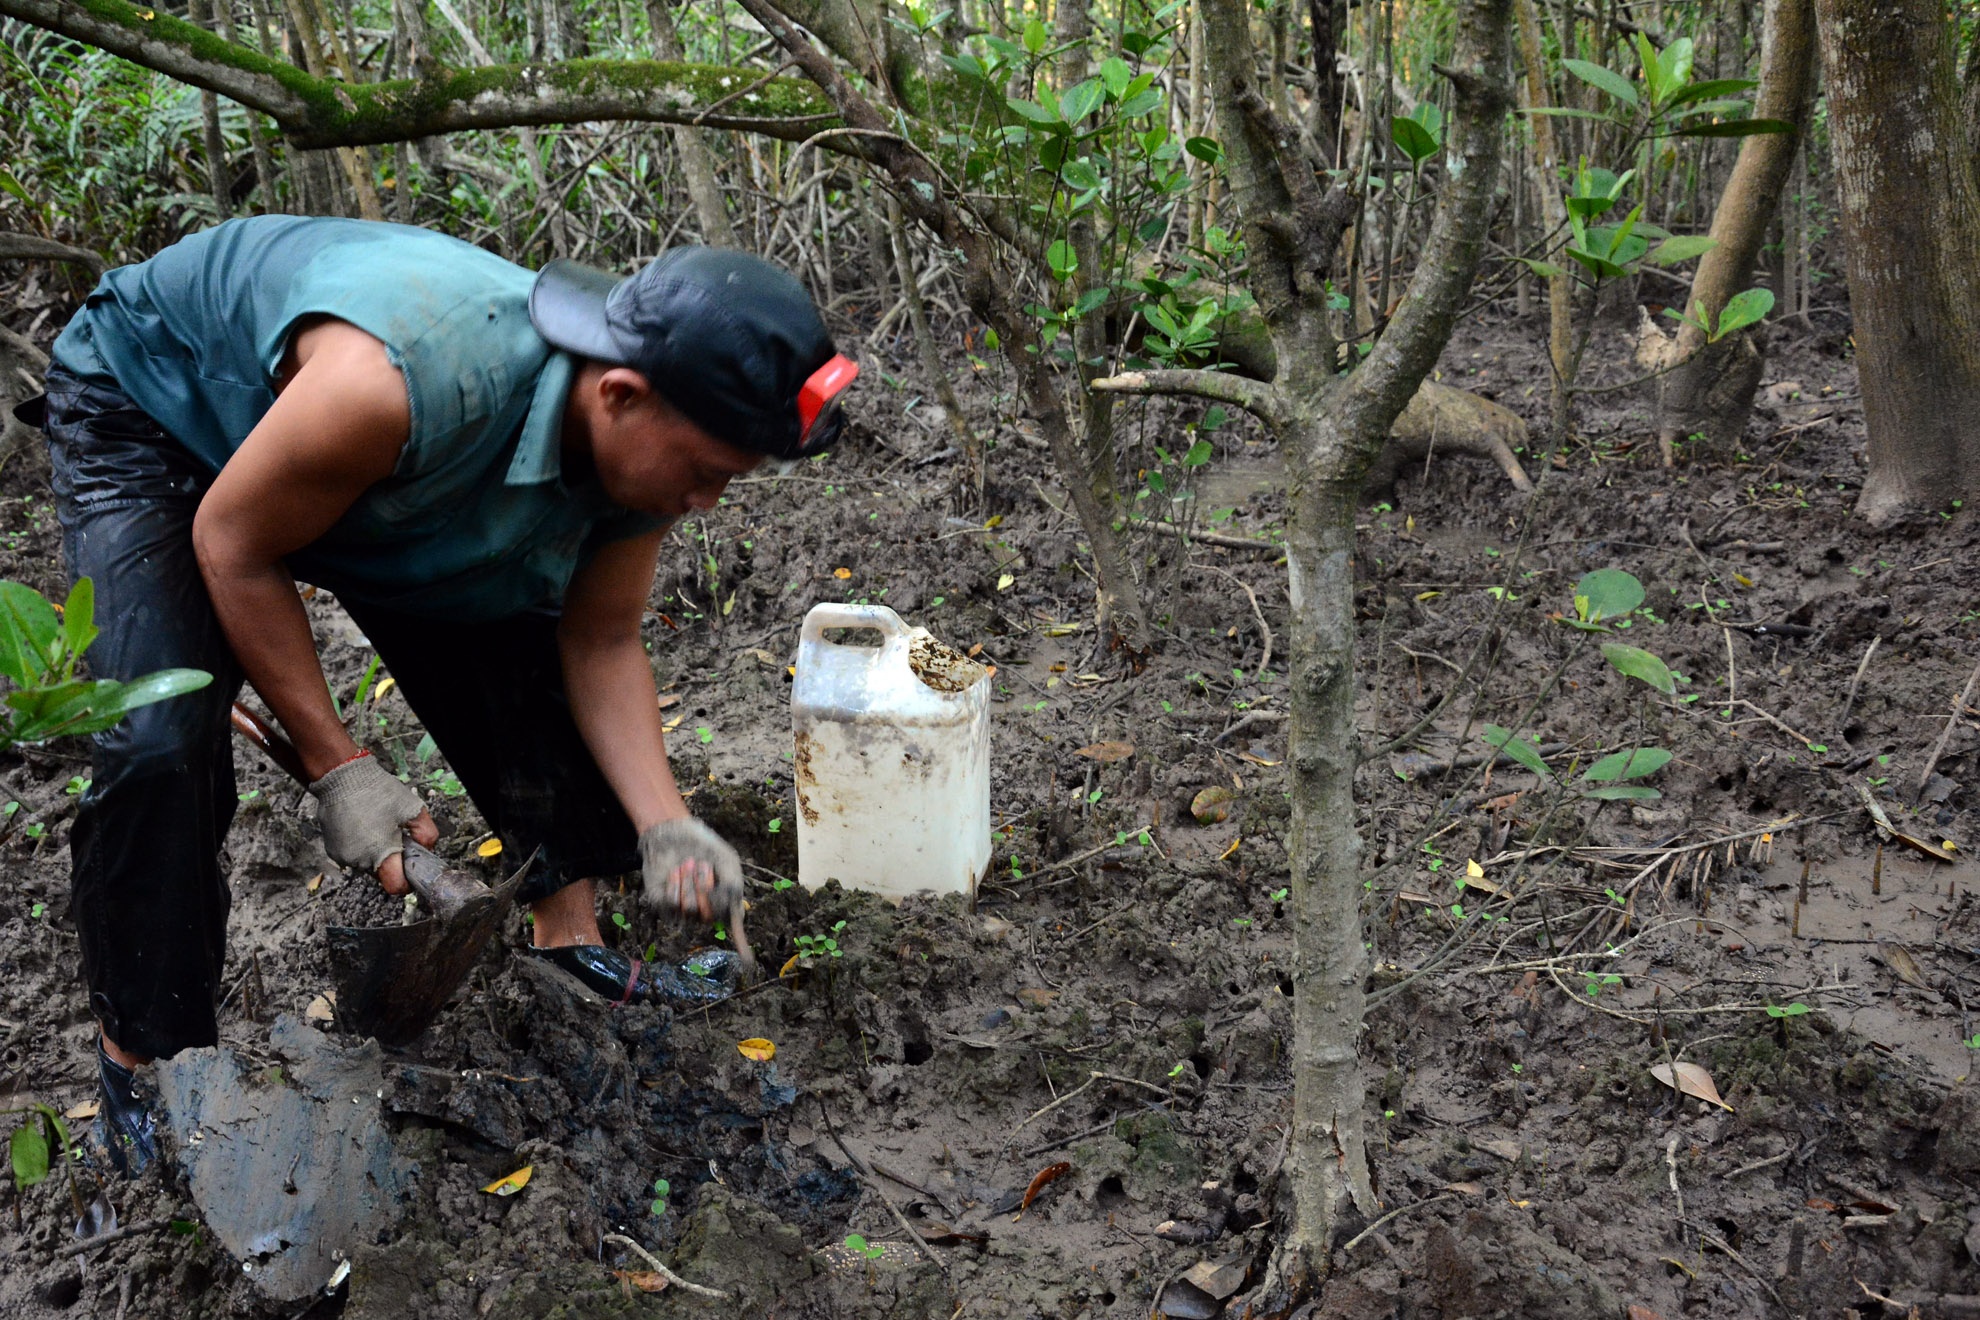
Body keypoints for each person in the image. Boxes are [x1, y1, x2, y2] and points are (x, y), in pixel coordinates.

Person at [15, 216, 858, 1175]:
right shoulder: (401, 385)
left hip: (337, 469)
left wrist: (665, 822)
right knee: (159, 739)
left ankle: (564, 941)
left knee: (504, 601)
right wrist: (343, 769)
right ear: (619, 392)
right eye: (707, 474)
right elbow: (234, 543)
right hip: (159, 402)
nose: (705, 502)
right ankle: (145, 1062)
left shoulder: (640, 456)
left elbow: (601, 637)